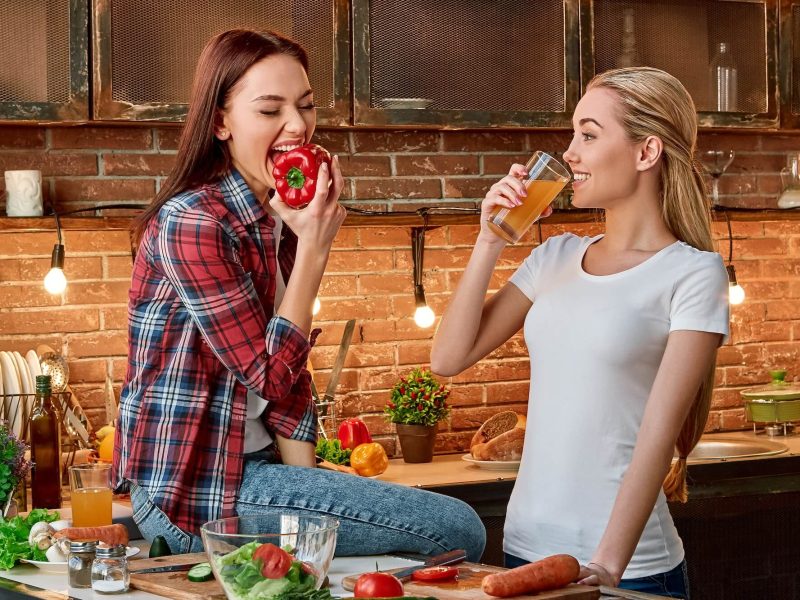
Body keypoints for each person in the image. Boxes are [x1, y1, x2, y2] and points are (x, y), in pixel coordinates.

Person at [114, 28, 485, 560]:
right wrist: (315, 244)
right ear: (220, 122)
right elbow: (267, 371)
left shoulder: (275, 216)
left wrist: (313, 494)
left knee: (404, 545)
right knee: (455, 528)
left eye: (305, 106)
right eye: (270, 111)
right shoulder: (192, 222)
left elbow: (288, 389)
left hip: (256, 473)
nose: (297, 126)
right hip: (195, 494)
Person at [431, 67, 729, 598]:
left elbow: (655, 441)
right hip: (525, 549)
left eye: (588, 135)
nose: (569, 153)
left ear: (646, 153)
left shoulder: (692, 272)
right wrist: (489, 240)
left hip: (626, 566)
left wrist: (608, 565)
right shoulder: (554, 256)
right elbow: (449, 358)